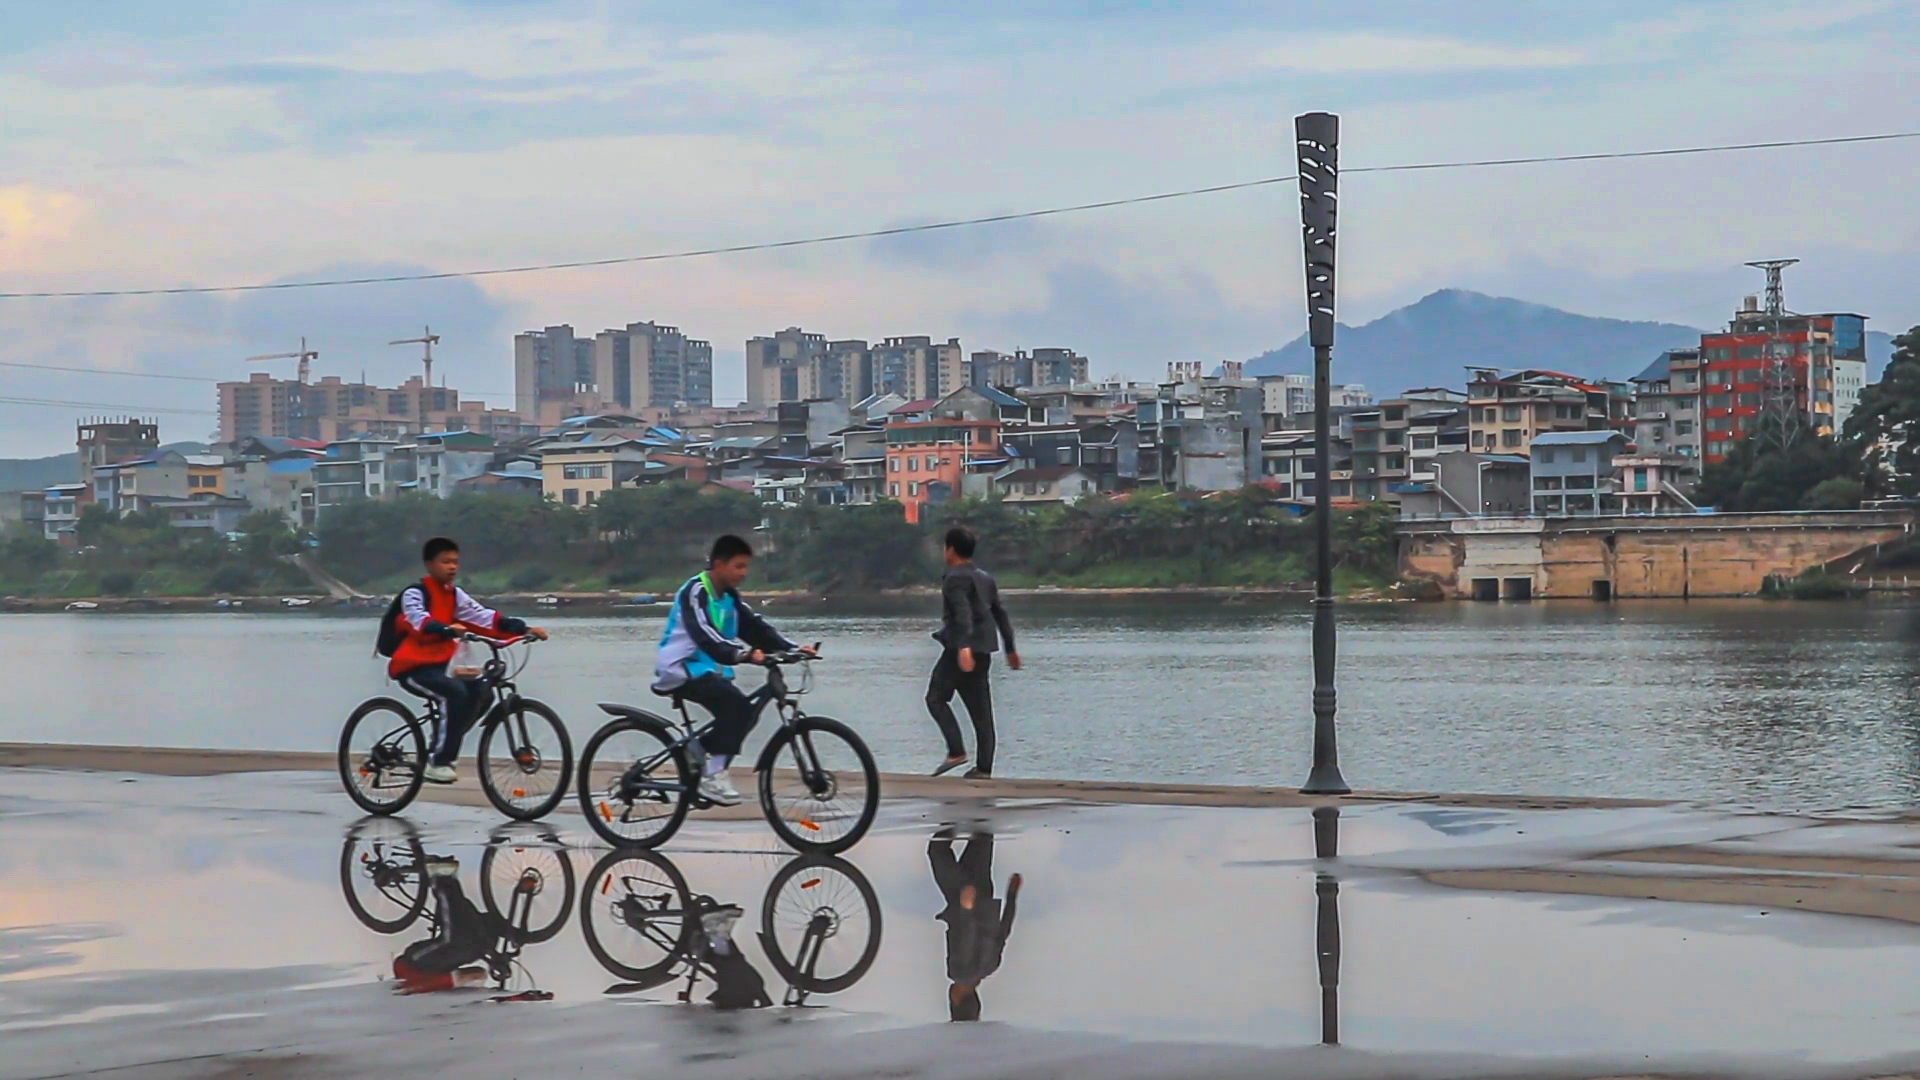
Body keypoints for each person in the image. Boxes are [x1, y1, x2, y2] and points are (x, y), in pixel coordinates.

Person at [652, 534, 813, 807]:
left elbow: (753, 627)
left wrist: (792, 648)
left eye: (745, 567)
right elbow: (704, 634)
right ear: (718, 564)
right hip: (682, 667)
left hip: (710, 667)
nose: (743, 573)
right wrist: (741, 654)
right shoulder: (696, 591)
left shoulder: (729, 597)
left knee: (744, 714)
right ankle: (712, 770)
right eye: (738, 566)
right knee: (736, 707)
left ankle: (704, 757)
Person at [387, 537, 548, 785]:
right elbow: (418, 620)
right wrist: (445, 629)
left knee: (484, 692)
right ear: (429, 564)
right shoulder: (414, 594)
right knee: (453, 693)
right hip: (412, 667)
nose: (452, 567)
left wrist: (523, 629)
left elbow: (484, 618)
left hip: (443, 665)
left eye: (455, 562)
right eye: (445, 562)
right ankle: (439, 760)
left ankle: (447, 741)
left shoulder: (455, 595)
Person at [927, 526, 1020, 779]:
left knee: (935, 698)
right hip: (984, 650)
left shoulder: (954, 578)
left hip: (961, 649)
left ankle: (956, 751)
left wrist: (964, 646)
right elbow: (999, 613)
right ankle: (983, 768)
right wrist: (1010, 647)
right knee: (981, 711)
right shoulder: (985, 578)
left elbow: (962, 614)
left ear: (951, 550)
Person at [928, 829, 1021, 1021]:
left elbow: (1004, 931)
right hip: (962, 897)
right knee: (937, 850)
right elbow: (966, 940)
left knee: (983, 837)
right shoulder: (957, 972)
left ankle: (971, 806)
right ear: (955, 1000)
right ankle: (952, 811)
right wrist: (966, 909)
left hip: (984, 894)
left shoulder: (991, 966)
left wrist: (1011, 895)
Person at [391, 856, 492, 994]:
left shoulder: (413, 1002)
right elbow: (477, 973)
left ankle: (440, 878)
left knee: (451, 942)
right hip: (444, 964)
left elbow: (418, 986)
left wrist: (457, 979)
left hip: (413, 965)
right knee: (479, 944)